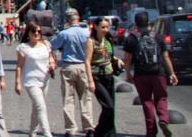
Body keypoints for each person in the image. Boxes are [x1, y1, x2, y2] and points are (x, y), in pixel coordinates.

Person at [123, 12, 178, 137]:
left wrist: (128, 74)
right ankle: (163, 119)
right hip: (158, 73)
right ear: (148, 23)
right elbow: (165, 56)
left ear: (136, 24)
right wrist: (171, 73)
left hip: (141, 74)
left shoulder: (131, 38)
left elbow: (127, 58)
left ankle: (151, 131)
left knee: (147, 101)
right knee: (161, 98)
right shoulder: (157, 37)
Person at [51, 8, 94, 137]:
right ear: (78, 18)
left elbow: (52, 45)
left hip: (68, 67)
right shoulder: (87, 33)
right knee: (85, 97)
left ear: (67, 20)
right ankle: (88, 127)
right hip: (83, 66)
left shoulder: (64, 34)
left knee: (68, 99)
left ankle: (70, 129)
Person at [15, 21, 56, 137]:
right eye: (34, 31)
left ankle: (32, 133)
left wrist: (52, 64)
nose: (37, 33)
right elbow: (19, 66)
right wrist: (17, 83)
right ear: (28, 33)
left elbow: (50, 58)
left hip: (44, 79)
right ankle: (48, 134)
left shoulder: (46, 45)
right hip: (31, 81)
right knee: (41, 107)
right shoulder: (23, 48)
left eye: (39, 31)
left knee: (36, 107)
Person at [84, 17, 122, 137]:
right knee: (108, 106)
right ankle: (99, 132)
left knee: (111, 109)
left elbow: (108, 55)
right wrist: (90, 80)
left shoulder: (108, 39)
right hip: (97, 77)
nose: (106, 30)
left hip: (109, 76)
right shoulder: (91, 41)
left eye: (107, 27)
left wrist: (117, 59)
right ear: (95, 27)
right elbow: (87, 61)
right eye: (103, 27)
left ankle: (110, 134)